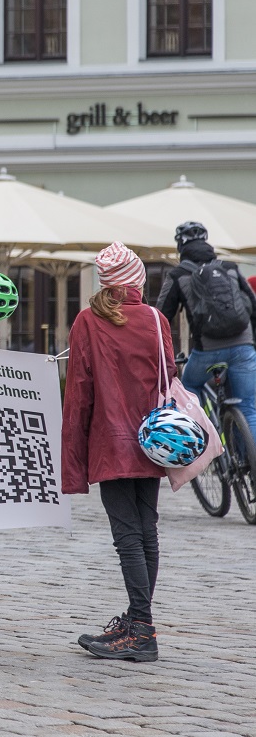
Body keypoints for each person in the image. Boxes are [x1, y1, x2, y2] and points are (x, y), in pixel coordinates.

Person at [63, 243, 172, 663]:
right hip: (154, 439)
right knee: (147, 530)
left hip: (111, 438)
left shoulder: (88, 320)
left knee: (128, 535)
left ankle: (141, 629)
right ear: (137, 282)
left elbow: (79, 392)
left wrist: (73, 456)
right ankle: (136, 619)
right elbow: (169, 375)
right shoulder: (154, 317)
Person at [156, 221, 256, 438]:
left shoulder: (177, 275)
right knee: (248, 408)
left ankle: (201, 440)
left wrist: (165, 357)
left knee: (190, 386)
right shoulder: (229, 268)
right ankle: (247, 464)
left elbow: (160, 319)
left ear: (180, 247)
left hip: (207, 349)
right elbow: (252, 305)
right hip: (244, 347)